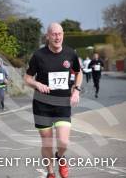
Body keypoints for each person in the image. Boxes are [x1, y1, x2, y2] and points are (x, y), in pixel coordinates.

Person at [25, 23, 82, 178]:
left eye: (60, 34)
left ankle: (61, 157)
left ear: (63, 35)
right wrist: (37, 84)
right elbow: (27, 78)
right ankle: (51, 173)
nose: (57, 37)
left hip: (62, 104)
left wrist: (76, 90)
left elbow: (78, 72)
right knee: (47, 142)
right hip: (42, 104)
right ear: (48, 36)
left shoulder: (70, 54)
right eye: (54, 34)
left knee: (63, 142)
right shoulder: (38, 56)